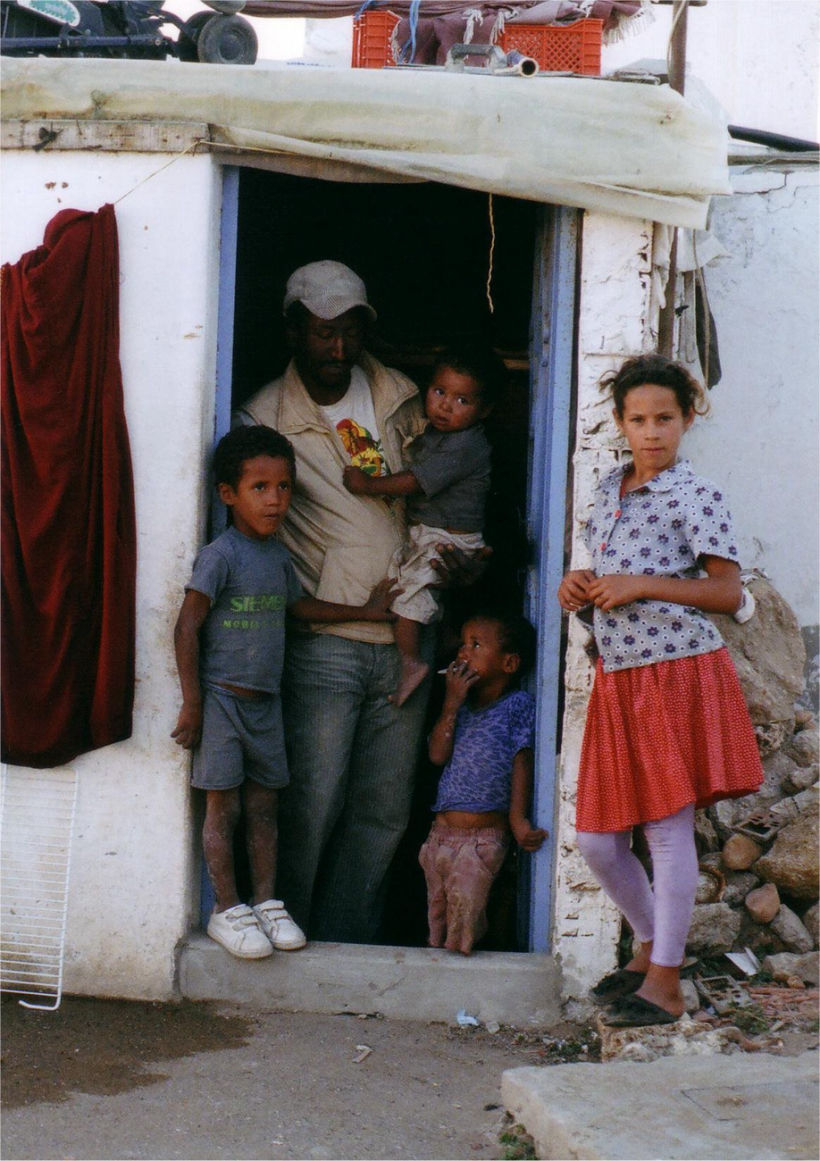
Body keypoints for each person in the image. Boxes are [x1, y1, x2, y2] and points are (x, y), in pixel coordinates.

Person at [235, 260, 485, 943]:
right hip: (328, 646)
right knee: (313, 804)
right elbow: (257, 544)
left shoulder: (408, 397)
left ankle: (350, 943)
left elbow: (443, 489)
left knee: (385, 812)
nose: (337, 348)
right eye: (322, 333)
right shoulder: (264, 417)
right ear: (292, 331)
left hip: (410, 636)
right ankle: (295, 939)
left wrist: (455, 560)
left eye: (348, 331)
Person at [557, 353, 763, 1027]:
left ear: (687, 419)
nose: (652, 432)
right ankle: (649, 947)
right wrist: (579, 591)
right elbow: (604, 579)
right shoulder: (608, 488)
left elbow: (728, 592)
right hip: (621, 678)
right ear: (620, 423)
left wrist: (641, 584)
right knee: (596, 840)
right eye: (639, 419)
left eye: (665, 418)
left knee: (667, 831)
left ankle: (668, 982)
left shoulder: (695, 494)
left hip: (677, 673)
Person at [172, 424, 397, 959]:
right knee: (222, 811)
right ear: (228, 494)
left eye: (284, 487)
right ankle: (227, 908)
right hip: (224, 702)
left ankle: (267, 903)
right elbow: (186, 627)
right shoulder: (220, 556)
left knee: (266, 808)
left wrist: (363, 612)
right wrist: (193, 702)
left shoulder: (276, 557)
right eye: (260, 488)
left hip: (266, 705)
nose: (275, 500)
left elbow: (298, 608)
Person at [342, 346, 504, 706]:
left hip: (447, 538)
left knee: (407, 598)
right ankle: (444, 634)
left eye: (462, 400)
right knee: (414, 583)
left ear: (485, 411)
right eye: (439, 392)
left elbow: (415, 481)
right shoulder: (436, 432)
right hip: (433, 532)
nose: (445, 406)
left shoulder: (466, 446)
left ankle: (411, 662)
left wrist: (367, 485)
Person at [419, 611, 547, 955]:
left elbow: (523, 759)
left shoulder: (516, 705)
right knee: (438, 916)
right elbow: (436, 755)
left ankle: (463, 984)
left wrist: (518, 820)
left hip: (481, 841)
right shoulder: (458, 707)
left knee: (468, 924)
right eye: (463, 644)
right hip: (440, 838)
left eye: (476, 645)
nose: (463, 653)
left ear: (509, 664)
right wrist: (451, 703)